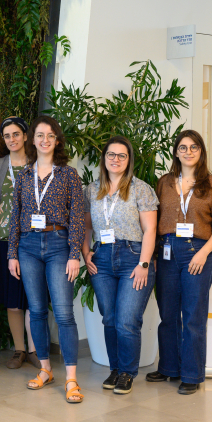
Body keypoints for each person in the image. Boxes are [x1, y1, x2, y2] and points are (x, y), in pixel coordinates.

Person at [146, 130, 212, 395]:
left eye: (194, 147)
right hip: (167, 253)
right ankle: (169, 367)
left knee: (193, 316)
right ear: (176, 152)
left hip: (198, 252)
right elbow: (153, 221)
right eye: (183, 147)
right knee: (168, 314)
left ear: (201, 152)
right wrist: (154, 256)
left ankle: (191, 374)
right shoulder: (164, 183)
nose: (188, 152)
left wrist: (203, 252)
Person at [8, 115, 85, 403]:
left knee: (64, 313)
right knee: (37, 311)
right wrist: (12, 253)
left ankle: (71, 379)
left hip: (58, 245)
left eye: (50, 135)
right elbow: (15, 216)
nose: (44, 140)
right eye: (39, 135)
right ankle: (45, 369)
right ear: (33, 140)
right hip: (28, 246)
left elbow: (77, 217)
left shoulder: (68, 174)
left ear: (57, 140)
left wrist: (74, 254)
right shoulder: (24, 175)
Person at [81, 136, 158, 395]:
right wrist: (86, 253)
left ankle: (127, 373)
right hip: (101, 259)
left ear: (129, 160)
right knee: (110, 319)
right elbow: (86, 226)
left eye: (121, 155)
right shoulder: (92, 190)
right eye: (111, 154)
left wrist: (144, 264)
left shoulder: (141, 189)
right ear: (104, 158)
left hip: (133, 258)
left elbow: (150, 230)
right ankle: (115, 369)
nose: (116, 159)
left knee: (127, 320)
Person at [0, 117, 37, 369]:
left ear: (26, 136)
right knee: (13, 300)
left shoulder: (38, 164)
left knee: (33, 298)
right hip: (4, 241)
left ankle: (36, 350)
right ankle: (19, 349)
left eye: (16, 134)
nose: (12, 139)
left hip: (33, 240)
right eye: (7, 135)